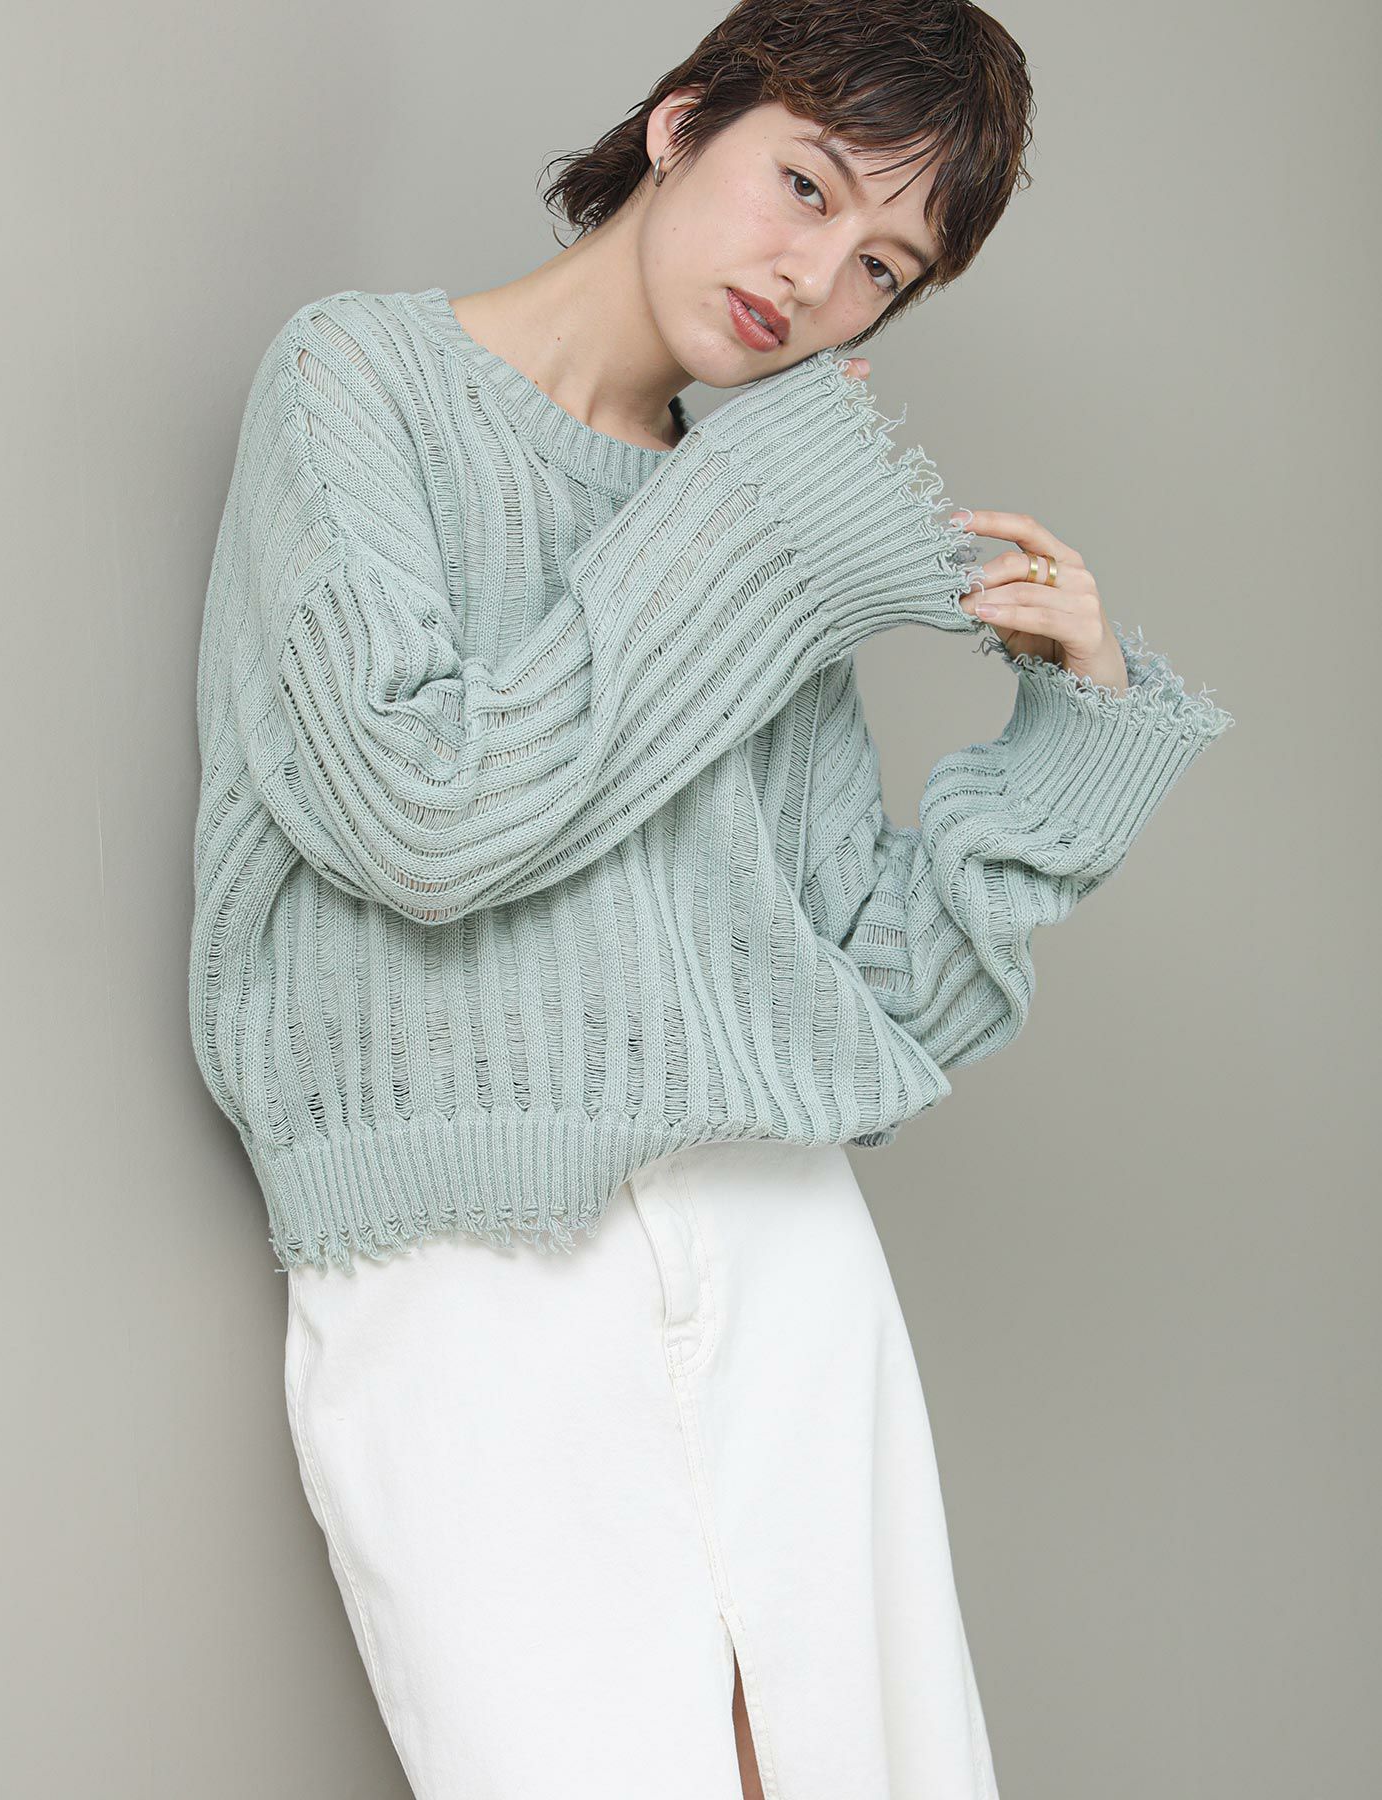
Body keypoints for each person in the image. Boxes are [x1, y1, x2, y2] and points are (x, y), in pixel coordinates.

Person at [188, 2, 1235, 1795]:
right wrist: (750, 512)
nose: (818, 279)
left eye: (884, 267)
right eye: (806, 184)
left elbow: (872, 1003)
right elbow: (419, 819)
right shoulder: (357, 381)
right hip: (467, 1253)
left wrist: (1080, 738)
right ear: (680, 125)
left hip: (778, 1244)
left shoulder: (755, 519)